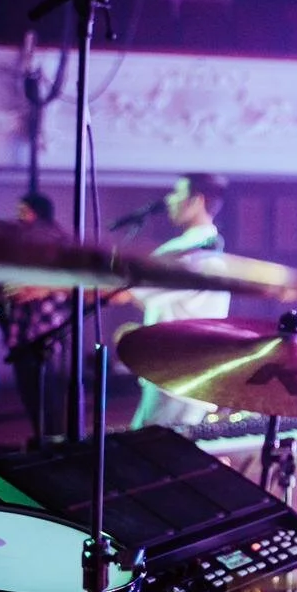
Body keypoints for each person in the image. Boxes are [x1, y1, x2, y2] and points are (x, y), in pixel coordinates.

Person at [125, 174, 233, 429]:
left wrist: (50, 288)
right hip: (192, 376)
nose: (169, 200)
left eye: (176, 194)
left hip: (174, 377)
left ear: (197, 201)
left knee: (149, 455)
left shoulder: (188, 250)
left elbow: (126, 290)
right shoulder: (213, 249)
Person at [0, 193, 72, 442]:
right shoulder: (25, 242)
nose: (19, 217)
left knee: (47, 392)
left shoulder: (57, 241)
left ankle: (53, 443)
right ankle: (43, 439)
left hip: (47, 327)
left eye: (24, 211)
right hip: (24, 327)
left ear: (38, 213)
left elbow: (69, 282)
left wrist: (36, 288)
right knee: (30, 391)